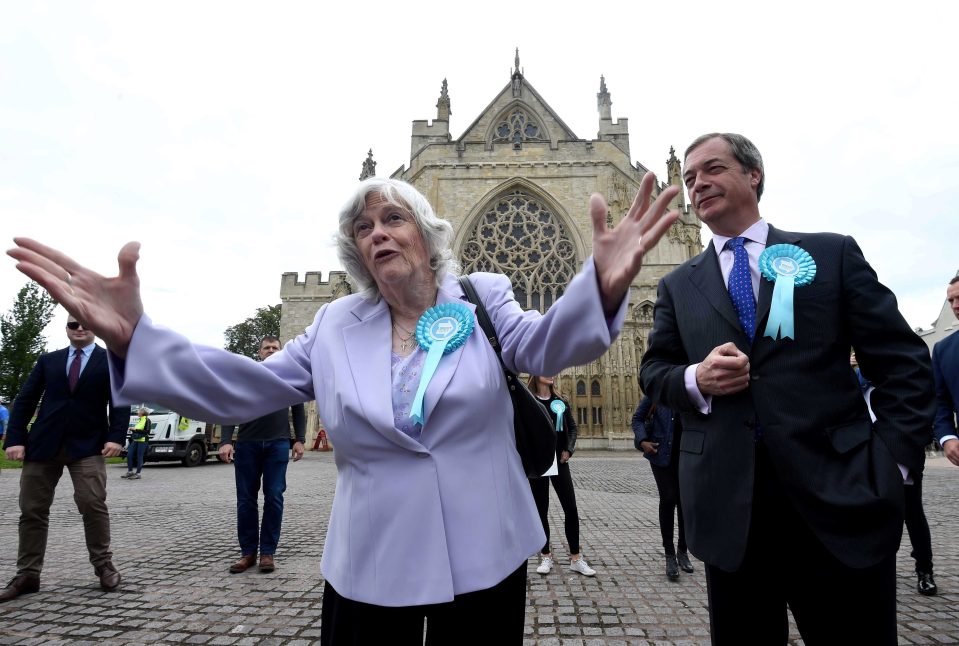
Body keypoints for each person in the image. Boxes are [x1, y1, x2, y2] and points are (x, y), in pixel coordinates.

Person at [7, 173, 678, 643]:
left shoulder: (482, 298)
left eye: (392, 218)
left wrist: (600, 283)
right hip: (371, 558)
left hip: (486, 550)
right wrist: (136, 338)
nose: (377, 233)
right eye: (363, 227)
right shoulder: (332, 326)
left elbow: (549, 342)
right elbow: (237, 386)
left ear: (426, 232)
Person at [639, 133, 934, 645]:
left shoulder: (828, 253)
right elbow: (654, 371)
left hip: (837, 502)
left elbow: (905, 364)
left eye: (712, 169)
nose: (698, 184)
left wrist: (892, 466)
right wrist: (695, 378)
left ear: (753, 174)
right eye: (688, 178)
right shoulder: (678, 283)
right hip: (731, 515)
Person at [0, 315, 130, 602]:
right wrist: (15, 439)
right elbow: (25, 400)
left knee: (92, 503)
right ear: (67, 328)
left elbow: (120, 401)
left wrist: (116, 437)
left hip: (88, 445)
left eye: (85, 323)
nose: (80, 328)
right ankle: (27, 575)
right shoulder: (49, 360)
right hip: (43, 445)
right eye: (74, 324)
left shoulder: (112, 360)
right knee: (32, 509)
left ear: (95, 328)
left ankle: (103, 565)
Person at [218, 334, 307, 575]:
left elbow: (299, 408)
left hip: (278, 444)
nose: (270, 350)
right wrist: (226, 441)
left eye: (274, 347)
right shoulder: (247, 374)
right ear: (259, 352)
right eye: (266, 347)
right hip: (248, 443)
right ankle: (247, 553)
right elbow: (230, 407)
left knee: (274, 497)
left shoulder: (289, 376)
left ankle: (267, 552)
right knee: (246, 499)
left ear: (280, 351)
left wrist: (299, 439)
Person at [851, 351, 937, 596]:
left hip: (901, 449)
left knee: (912, 512)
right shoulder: (855, 375)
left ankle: (925, 570)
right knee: (871, 516)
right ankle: (875, 572)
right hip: (865, 448)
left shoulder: (894, 365)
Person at [526, 375, 595, 577]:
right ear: (535, 374)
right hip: (539, 464)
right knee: (541, 510)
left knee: (571, 509)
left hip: (559, 461)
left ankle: (575, 558)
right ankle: (546, 555)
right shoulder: (529, 401)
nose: (551, 373)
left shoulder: (560, 402)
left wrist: (569, 449)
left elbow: (572, 428)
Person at [631, 395, 692, 581]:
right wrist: (642, 440)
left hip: (686, 454)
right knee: (668, 499)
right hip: (661, 454)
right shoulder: (657, 393)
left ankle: (683, 550)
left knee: (685, 502)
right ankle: (669, 554)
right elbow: (637, 418)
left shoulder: (689, 391)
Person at [933, 276, 959, 469]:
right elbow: (939, 400)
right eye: (951, 300)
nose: (955, 305)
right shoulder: (943, 349)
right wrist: (947, 437)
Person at [123, 407, 151, 479]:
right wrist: (133, 430)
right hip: (135, 440)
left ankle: (138, 474)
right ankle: (130, 472)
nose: (137, 412)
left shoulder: (147, 420)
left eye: (139, 411)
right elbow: (137, 430)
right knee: (129, 455)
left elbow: (147, 432)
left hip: (142, 441)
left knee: (139, 457)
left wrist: (135, 429)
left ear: (142, 413)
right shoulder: (140, 420)